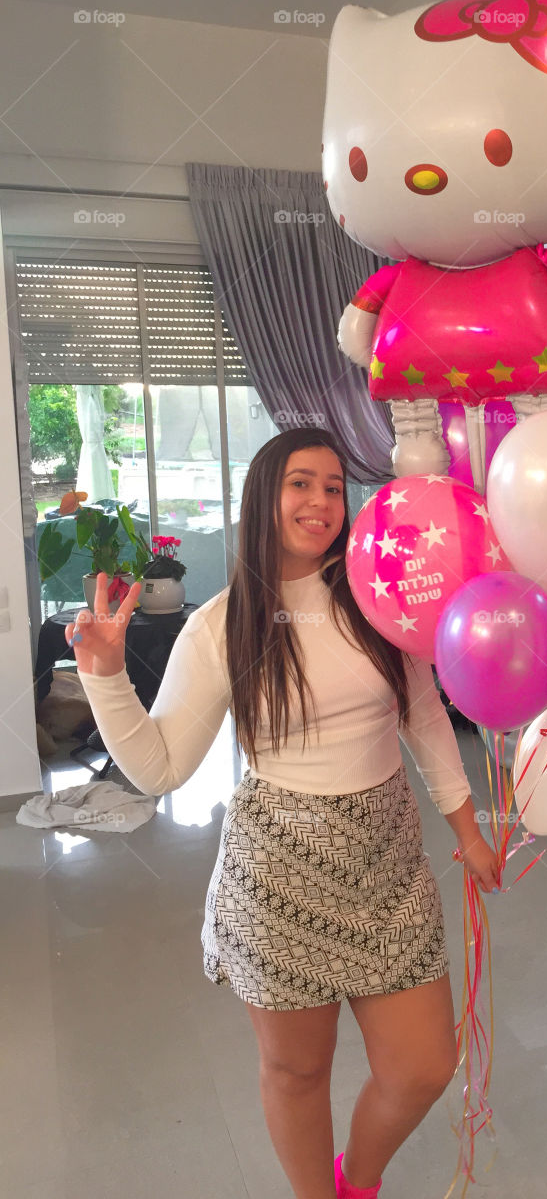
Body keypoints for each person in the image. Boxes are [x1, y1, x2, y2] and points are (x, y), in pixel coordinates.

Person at [68, 428, 501, 1199]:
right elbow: (160, 767)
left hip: (388, 861)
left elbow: (426, 717)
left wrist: (467, 828)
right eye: (301, 483)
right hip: (278, 873)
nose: (321, 502)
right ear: (263, 496)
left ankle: (356, 1181)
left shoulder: (380, 599)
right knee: (297, 1070)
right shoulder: (222, 624)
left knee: (424, 1065)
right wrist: (104, 677)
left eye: (334, 487)